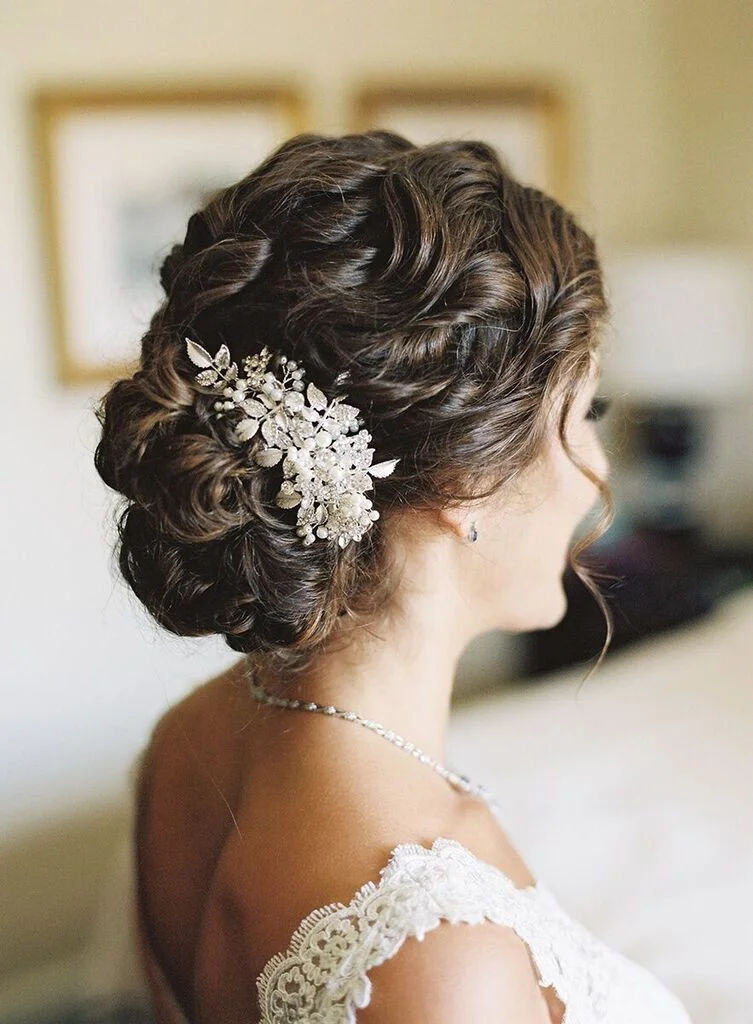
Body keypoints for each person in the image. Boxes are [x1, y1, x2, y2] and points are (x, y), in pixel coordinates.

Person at [94, 130, 693, 1023]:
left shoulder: (187, 740)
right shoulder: (436, 955)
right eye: (585, 410)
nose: (597, 472)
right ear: (463, 482)